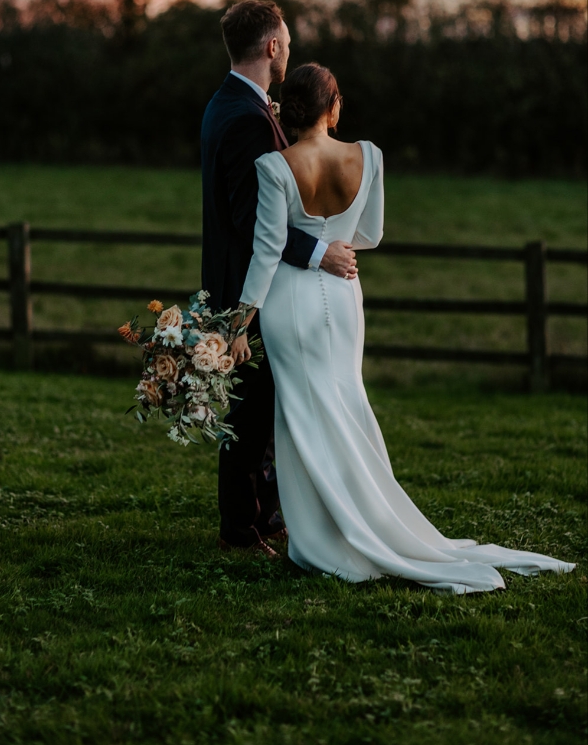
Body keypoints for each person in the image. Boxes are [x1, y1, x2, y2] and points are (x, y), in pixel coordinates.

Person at [231, 62, 575, 593]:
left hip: (289, 302)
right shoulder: (368, 155)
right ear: (334, 105)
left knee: (300, 414)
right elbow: (372, 233)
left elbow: (267, 251)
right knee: (347, 401)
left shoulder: (274, 166)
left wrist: (239, 322)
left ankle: (318, 536)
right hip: (345, 298)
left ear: (288, 109)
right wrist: (337, 245)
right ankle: (365, 517)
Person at [200, 0, 357, 558]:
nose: (289, 48)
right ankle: (240, 530)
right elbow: (252, 225)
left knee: (264, 404)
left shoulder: (231, 104)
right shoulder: (245, 119)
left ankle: (264, 516)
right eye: (286, 41)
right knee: (252, 409)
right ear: (271, 47)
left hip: (244, 283)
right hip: (251, 288)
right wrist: (321, 254)